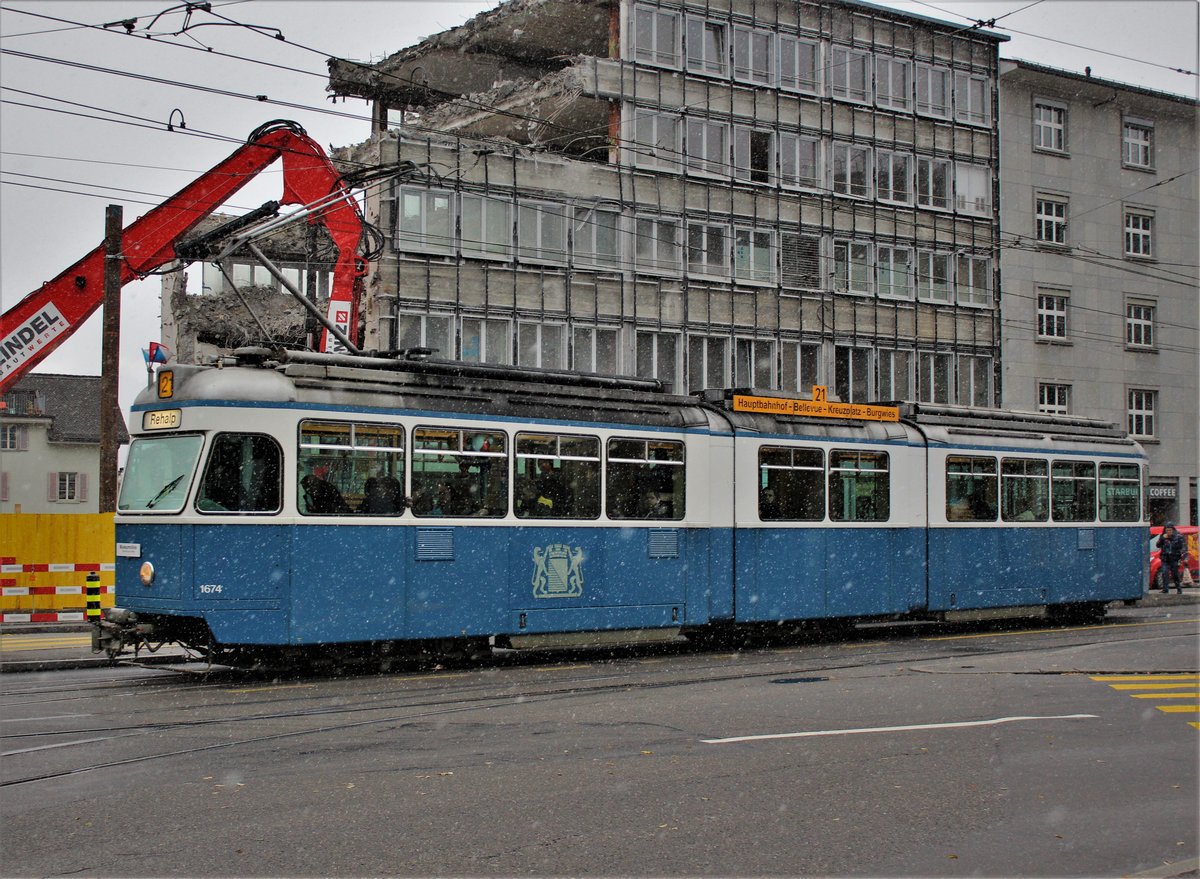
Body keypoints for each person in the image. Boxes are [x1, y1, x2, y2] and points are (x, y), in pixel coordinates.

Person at [1156, 522, 1187, 594]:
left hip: (1174, 558)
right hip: (1165, 558)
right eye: (1167, 530)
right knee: (1164, 572)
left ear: (1173, 530)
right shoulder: (1163, 536)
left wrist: (1184, 556)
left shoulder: (1179, 536)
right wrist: (1162, 538)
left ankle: (1178, 588)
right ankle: (1165, 589)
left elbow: (1183, 547)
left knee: (1175, 574)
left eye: (1170, 530)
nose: (1168, 532)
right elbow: (1158, 545)